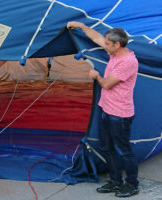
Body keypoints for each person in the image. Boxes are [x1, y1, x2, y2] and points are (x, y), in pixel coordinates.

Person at [66, 21, 139, 198]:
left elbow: (106, 84)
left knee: (124, 150)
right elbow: (97, 37)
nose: (104, 45)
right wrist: (81, 26)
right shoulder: (113, 52)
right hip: (106, 109)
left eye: (107, 44)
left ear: (117, 44)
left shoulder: (128, 62)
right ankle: (115, 181)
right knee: (107, 148)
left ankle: (132, 184)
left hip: (120, 115)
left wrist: (96, 75)